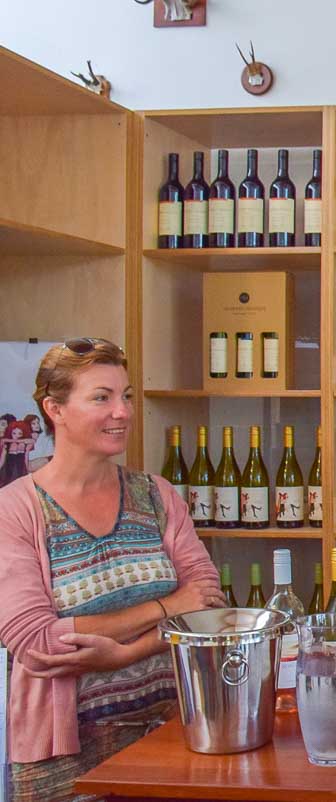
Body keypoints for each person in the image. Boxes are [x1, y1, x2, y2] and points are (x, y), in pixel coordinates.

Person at [0, 338, 223, 802]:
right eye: (101, 398)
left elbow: (207, 609)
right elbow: (39, 642)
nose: (122, 412)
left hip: (171, 735)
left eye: (126, 396)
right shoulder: (15, 510)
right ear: (54, 408)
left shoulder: (155, 495)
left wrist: (122, 654)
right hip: (64, 760)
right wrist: (169, 605)